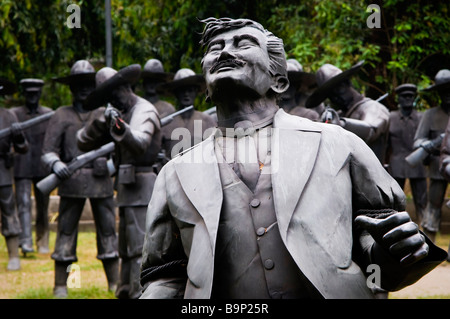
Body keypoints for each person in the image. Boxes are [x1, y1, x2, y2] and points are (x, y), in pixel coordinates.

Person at [139, 17, 446, 299]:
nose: (224, 52)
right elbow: (164, 275)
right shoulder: (176, 172)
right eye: (215, 48)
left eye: (243, 43)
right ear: (205, 87)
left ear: (279, 81)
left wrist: (394, 253)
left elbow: (375, 247)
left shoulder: (340, 145)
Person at [77, 64, 161, 299]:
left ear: (125, 88)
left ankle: (139, 292)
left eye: (113, 96)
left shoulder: (144, 110)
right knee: (125, 248)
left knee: (138, 248)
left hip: (143, 186)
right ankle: (125, 290)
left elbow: (140, 142)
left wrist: (119, 126)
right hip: (125, 187)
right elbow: (82, 142)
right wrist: (101, 123)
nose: (111, 102)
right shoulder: (118, 111)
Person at [42, 60, 119, 298]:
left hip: (101, 181)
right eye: (79, 85)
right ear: (71, 88)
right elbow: (48, 150)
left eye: (89, 84)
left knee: (108, 234)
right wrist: (57, 164)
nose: (84, 89)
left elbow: (121, 147)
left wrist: (108, 166)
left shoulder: (105, 113)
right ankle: (62, 285)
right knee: (65, 234)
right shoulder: (61, 115)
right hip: (70, 182)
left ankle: (115, 285)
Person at [305, 61, 390, 163]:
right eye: (330, 95)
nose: (336, 98)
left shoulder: (372, 108)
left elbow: (371, 130)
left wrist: (341, 124)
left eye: (338, 89)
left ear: (347, 83)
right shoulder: (341, 114)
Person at [11, 78, 53, 254]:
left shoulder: (48, 114)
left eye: (35, 94)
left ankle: (42, 240)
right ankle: (25, 241)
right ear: (24, 94)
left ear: (40, 94)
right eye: (29, 94)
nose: (32, 97)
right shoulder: (15, 114)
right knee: (23, 203)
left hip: (42, 166)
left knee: (43, 206)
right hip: (22, 166)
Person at [415, 69, 450, 242]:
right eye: (443, 91)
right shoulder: (430, 115)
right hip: (437, 166)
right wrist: (435, 142)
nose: (447, 95)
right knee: (433, 206)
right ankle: (429, 244)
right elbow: (418, 142)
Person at [386, 83, 427, 226]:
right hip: (397, 163)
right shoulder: (391, 117)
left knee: (422, 199)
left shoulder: (422, 118)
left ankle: (425, 226)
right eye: (404, 96)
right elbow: (386, 143)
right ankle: (394, 224)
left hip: (417, 163)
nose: (408, 99)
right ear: (399, 99)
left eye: (411, 96)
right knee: (395, 199)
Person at [157, 68, 216, 159]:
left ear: (196, 92)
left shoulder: (207, 121)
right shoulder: (166, 122)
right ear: (176, 93)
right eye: (182, 90)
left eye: (190, 90)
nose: (186, 94)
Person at [0, 78, 28, 271]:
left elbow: (23, 147)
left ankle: (13, 255)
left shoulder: (9, 116)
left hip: (2, 169)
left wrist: (18, 137)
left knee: (9, 210)